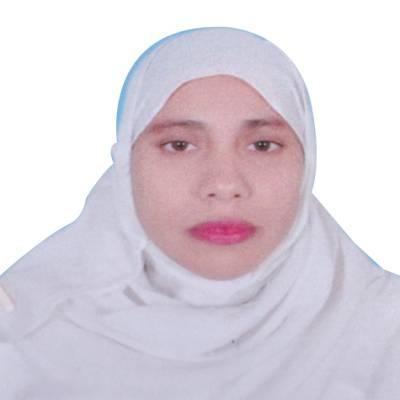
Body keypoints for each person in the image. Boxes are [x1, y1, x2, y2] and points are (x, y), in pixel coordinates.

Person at [1, 26, 399, 399]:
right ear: (126, 166)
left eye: (262, 145)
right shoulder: (20, 335)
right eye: (179, 145)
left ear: (306, 161)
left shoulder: (386, 333)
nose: (224, 184)